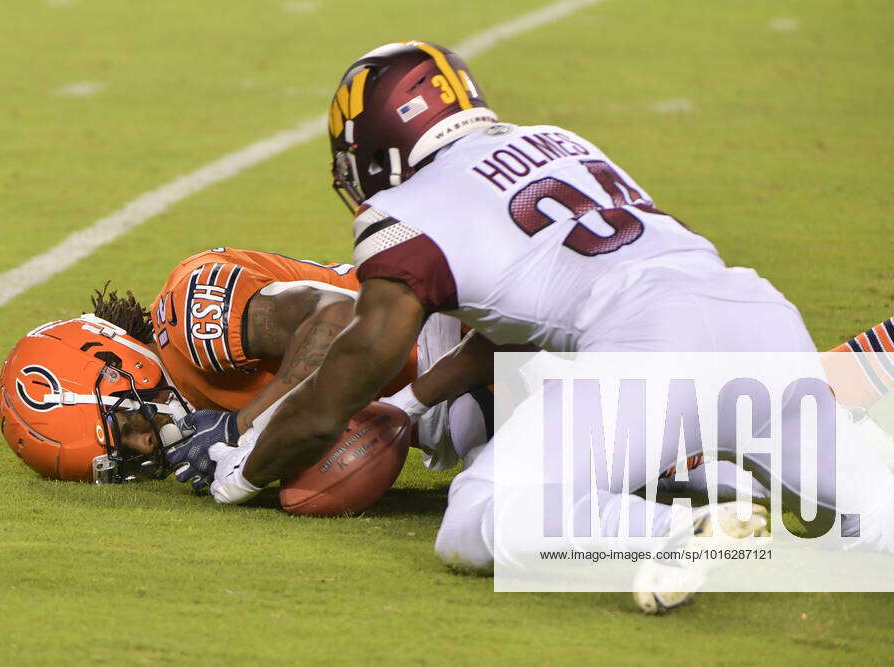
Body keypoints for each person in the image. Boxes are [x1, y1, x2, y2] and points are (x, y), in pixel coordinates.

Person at [170, 41, 894, 611]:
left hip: (648, 344)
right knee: (877, 514)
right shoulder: (553, 139)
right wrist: (412, 405)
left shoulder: (408, 211)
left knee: (479, 514)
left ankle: (666, 533)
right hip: (757, 315)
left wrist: (244, 469)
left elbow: (347, 380)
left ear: (382, 140)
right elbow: (510, 316)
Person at [0, 246, 485, 483]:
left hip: (473, 338)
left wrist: (244, 424)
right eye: (126, 452)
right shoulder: (196, 414)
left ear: (117, 362)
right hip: (456, 395)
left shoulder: (189, 323)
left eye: (125, 424)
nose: (146, 444)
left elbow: (338, 319)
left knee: (514, 536)